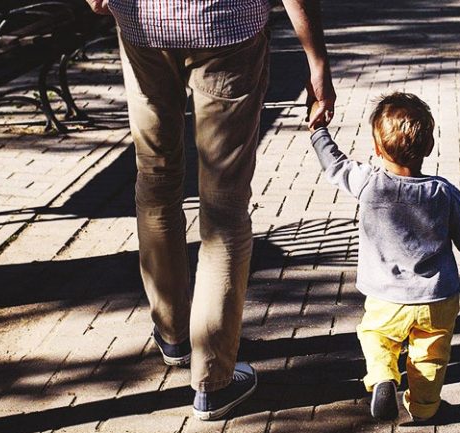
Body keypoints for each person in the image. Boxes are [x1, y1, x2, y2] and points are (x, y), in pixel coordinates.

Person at [83, 0, 336, 421]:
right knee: (225, 206)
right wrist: (317, 60)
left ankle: (174, 336)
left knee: (156, 181)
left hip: (143, 25)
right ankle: (213, 381)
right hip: (226, 28)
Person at [308, 92, 460, 421]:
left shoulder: (369, 183)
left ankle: (382, 378)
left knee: (376, 336)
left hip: (386, 298)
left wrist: (318, 131)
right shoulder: (443, 192)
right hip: (437, 299)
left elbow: (335, 165)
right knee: (431, 356)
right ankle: (424, 408)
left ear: (378, 150)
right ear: (428, 148)